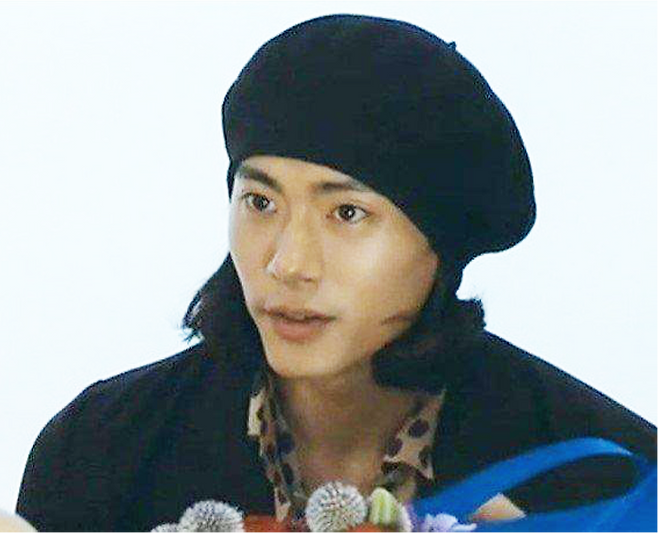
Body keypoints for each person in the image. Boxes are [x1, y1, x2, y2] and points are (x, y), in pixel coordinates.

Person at [16, 14, 658, 532]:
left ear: (440, 247)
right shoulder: (103, 451)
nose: (287, 263)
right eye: (260, 202)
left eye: (347, 213)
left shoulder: (603, 476)